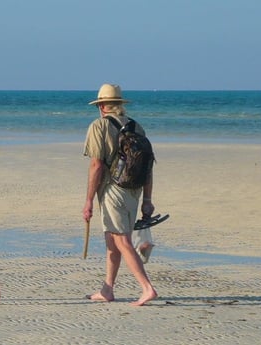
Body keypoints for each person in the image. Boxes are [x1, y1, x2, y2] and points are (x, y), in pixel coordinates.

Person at [82, 83, 158, 306]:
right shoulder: (137, 127)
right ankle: (107, 289)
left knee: (121, 240)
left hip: (113, 190)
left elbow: (96, 165)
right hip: (134, 191)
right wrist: (147, 199)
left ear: (102, 106)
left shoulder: (99, 126)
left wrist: (88, 201)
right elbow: (148, 167)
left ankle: (147, 288)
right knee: (112, 240)